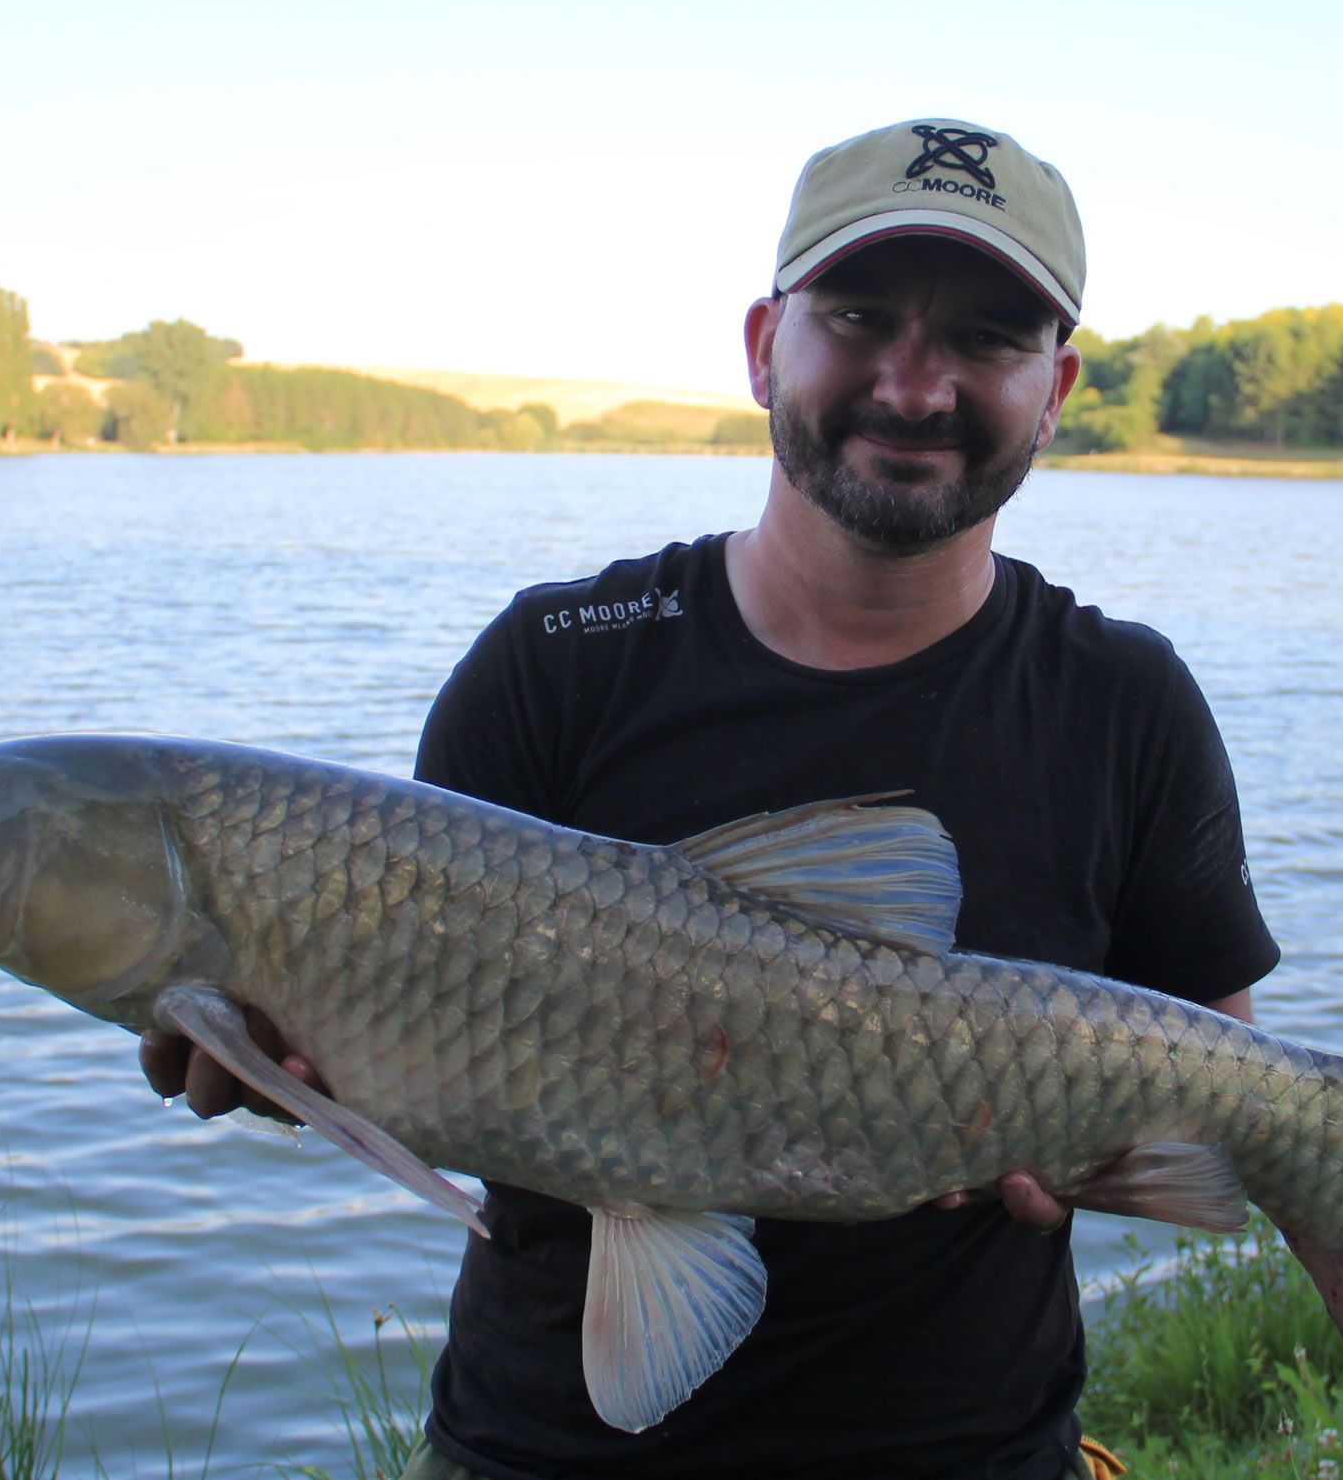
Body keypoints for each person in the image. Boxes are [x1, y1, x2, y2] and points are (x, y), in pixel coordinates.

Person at [141, 117, 1279, 1480]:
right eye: (859, 316)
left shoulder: (1125, 701)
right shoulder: (554, 665)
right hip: (540, 1451)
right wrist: (277, 1063)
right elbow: (394, 1034)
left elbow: (1217, 1065)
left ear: (1056, 389)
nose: (914, 386)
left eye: (985, 338)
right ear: (762, 345)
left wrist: (1096, 1140)